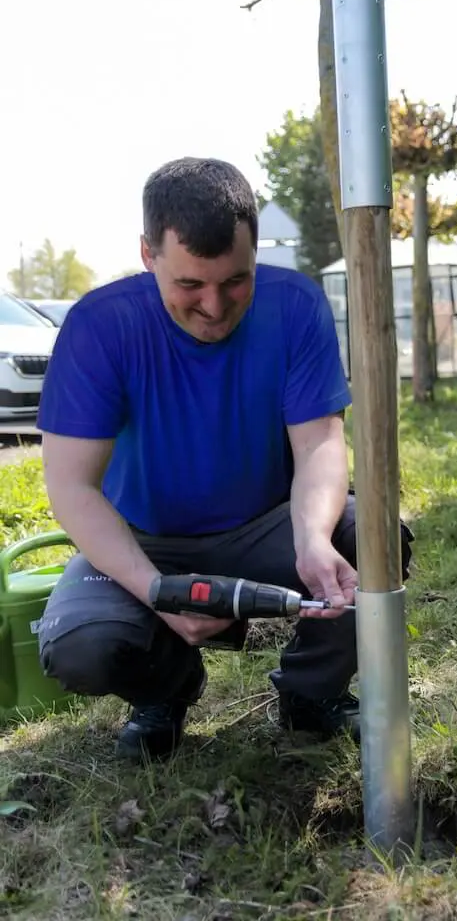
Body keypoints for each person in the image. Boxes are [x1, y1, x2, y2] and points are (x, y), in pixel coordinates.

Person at [36, 156, 414, 762]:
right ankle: (166, 691)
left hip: (267, 525)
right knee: (82, 646)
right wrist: (156, 591)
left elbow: (319, 443)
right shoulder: (98, 326)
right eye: (190, 285)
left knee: (371, 538)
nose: (214, 305)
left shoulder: (296, 305)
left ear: (256, 253)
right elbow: (72, 487)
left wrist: (313, 537)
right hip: (144, 540)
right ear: (147, 253)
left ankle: (310, 694)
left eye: (236, 280)